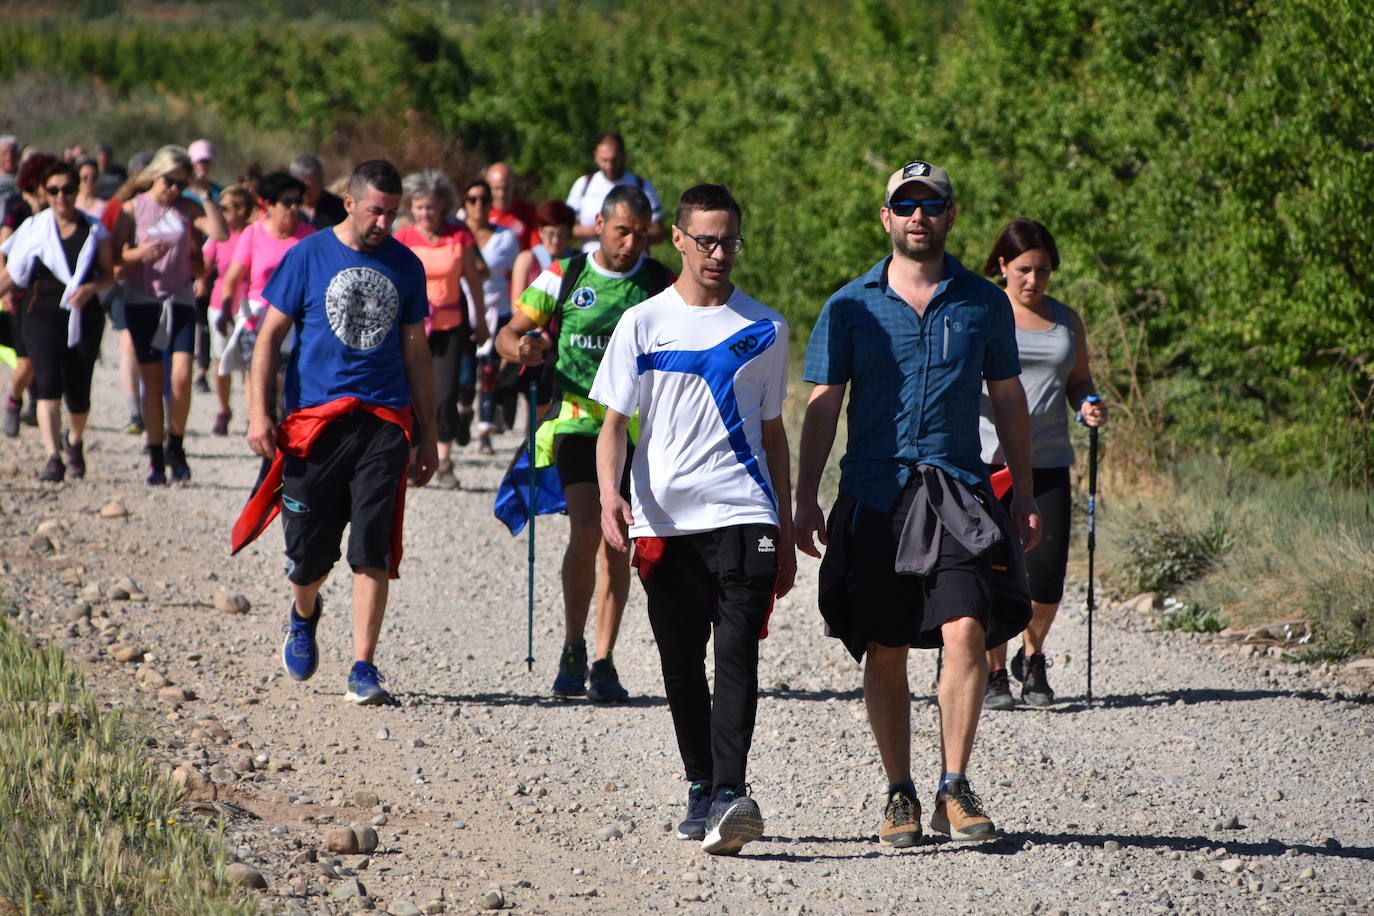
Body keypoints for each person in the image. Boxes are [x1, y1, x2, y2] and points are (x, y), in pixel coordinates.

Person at [794, 159, 1038, 848]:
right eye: (906, 205)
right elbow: (822, 404)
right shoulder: (849, 304)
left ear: (951, 216)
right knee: (886, 644)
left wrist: (1019, 487)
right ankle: (899, 791)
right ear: (886, 217)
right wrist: (806, 498)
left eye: (932, 205)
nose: (919, 217)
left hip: (957, 491)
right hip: (876, 495)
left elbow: (1010, 398)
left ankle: (954, 786)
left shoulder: (982, 303)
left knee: (968, 629)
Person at [592, 183, 793, 855]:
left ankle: (732, 795)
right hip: (664, 519)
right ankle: (701, 784)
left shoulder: (765, 327)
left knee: (737, 652)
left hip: (744, 508)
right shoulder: (642, 323)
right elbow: (614, 426)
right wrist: (608, 496)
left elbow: (775, 432)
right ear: (677, 238)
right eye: (705, 239)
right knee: (682, 662)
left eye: (729, 240)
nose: (718, 253)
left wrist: (787, 524)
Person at [235, 158, 436, 706]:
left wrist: (430, 434)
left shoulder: (406, 265)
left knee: (374, 546)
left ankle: (363, 666)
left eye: (392, 215)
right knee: (308, 557)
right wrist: (259, 413)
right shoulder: (306, 255)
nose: (384, 224)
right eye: (376, 212)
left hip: (383, 422)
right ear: (349, 203)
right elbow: (268, 338)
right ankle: (304, 612)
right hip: (313, 423)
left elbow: (418, 353)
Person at [497, 185, 671, 703]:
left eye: (641, 234)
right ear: (599, 224)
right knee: (589, 526)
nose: (631, 243)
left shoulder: (660, 281)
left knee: (620, 541)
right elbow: (510, 333)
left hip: (636, 426)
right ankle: (572, 644)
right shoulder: (566, 274)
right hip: (575, 418)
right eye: (622, 231)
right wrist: (523, 350)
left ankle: (603, 657)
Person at [978, 218, 1107, 710]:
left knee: (1047, 575)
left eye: (1045, 271)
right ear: (1003, 266)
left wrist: (1087, 402)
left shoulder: (1066, 320)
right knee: (994, 568)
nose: (1034, 280)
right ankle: (994, 670)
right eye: (1025, 270)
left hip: (1050, 458)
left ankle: (1032, 657)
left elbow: (1080, 380)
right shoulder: (985, 314)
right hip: (990, 458)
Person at [115, 144, 229, 484]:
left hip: (178, 298)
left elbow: (221, 233)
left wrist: (203, 192)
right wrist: (141, 253)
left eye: (181, 183)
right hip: (141, 299)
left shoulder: (187, 207)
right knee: (153, 382)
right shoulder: (132, 209)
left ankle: (175, 446)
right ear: (156, 174)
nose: (173, 189)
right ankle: (154, 456)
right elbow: (116, 259)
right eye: (169, 181)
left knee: (181, 376)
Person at [0, 160, 114, 481]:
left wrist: (91, 287)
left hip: (83, 315)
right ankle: (53, 457)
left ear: (78, 190)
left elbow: (108, 274)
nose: (61, 196)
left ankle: (74, 442)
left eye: (67, 189)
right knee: (47, 383)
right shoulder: (35, 228)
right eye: (54, 190)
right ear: (44, 193)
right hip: (41, 313)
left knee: (78, 392)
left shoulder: (95, 230)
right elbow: (11, 272)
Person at [394, 169, 488, 488]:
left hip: (450, 326)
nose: (426, 214)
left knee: (445, 393)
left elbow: (473, 282)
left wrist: (483, 322)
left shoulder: (458, 237)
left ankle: (444, 459)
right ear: (411, 208)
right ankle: (410, 456)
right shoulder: (403, 237)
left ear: (443, 207)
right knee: (410, 390)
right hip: (412, 325)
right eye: (420, 207)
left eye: (431, 207)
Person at [215, 170, 315, 425]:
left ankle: (284, 432)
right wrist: (226, 308)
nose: (293, 208)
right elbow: (233, 277)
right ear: (268, 204)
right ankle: (259, 423)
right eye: (286, 202)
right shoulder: (254, 233)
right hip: (257, 320)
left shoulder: (310, 237)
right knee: (258, 375)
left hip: (296, 322)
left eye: (297, 202)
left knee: (287, 384)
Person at [1, 151, 59, 438]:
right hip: (21, 293)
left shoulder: (59, 212)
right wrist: (6, 293)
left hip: (51, 296)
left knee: (47, 359)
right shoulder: (17, 207)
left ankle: (44, 407)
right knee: (25, 362)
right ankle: (14, 398)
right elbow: (4, 248)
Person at [460, 178, 520, 455]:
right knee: (462, 376)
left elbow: (517, 274)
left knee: (489, 372)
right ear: (464, 202)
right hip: (461, 310)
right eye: (473, 199)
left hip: (496, 312)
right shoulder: (456, 233)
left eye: (484, 199)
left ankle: (484, 430)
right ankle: (464, 408)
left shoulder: (506, 239)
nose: (479, 205)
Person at [201, 184, 253, 435]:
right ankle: (224, 409)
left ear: (242, 210)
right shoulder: (218, 237)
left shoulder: (255, 234)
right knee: (221, 361)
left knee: (252, 364)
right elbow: (204, 266)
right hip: (219, 304)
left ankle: (254, 414)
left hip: (249, 306)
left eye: (225, 208)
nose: (220, 213)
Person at [566, 131, 665, 250]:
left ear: (624, 155)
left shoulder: (642, 185)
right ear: (595, 156)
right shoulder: (584, 184)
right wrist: (603, 229)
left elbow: (658, 232)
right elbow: (566, 229)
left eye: (614, 160)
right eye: (604, 160)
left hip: (634, 263)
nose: (609, 166)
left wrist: (629, 231)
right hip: (590, 261)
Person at [510, 200, 576, 301]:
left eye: (561, 234)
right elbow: (516, 307)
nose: (555, 240)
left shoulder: (578, 260)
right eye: (551, 234)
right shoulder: (526, 260)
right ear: (540, 231)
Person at [484, 162, 539, 250]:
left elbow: (537, 247)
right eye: (497, 188)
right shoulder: (481, 212)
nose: (501, 194)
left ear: (513, 186)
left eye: (506, 188)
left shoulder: (527, 211)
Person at [290, 154, 348, 230]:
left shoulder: (339, 207)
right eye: (301, 188)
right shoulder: (286, 208)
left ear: (321, 182)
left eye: (310, 187)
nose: (305, 192)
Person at [184, 140, 223, 205]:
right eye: (199, 161)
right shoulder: (178, 190)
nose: (203, 165)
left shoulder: (220, 192)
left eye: (207, 161)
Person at [74, 156, 106, 220]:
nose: (90, 181)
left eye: (93, 177)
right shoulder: (70, 203)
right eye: (85, 177)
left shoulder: (103, 207)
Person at [0, 136, 21, 208]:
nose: (9, 157)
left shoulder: (23, 181)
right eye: (5, 153)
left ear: (18, 156)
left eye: (13, 153)